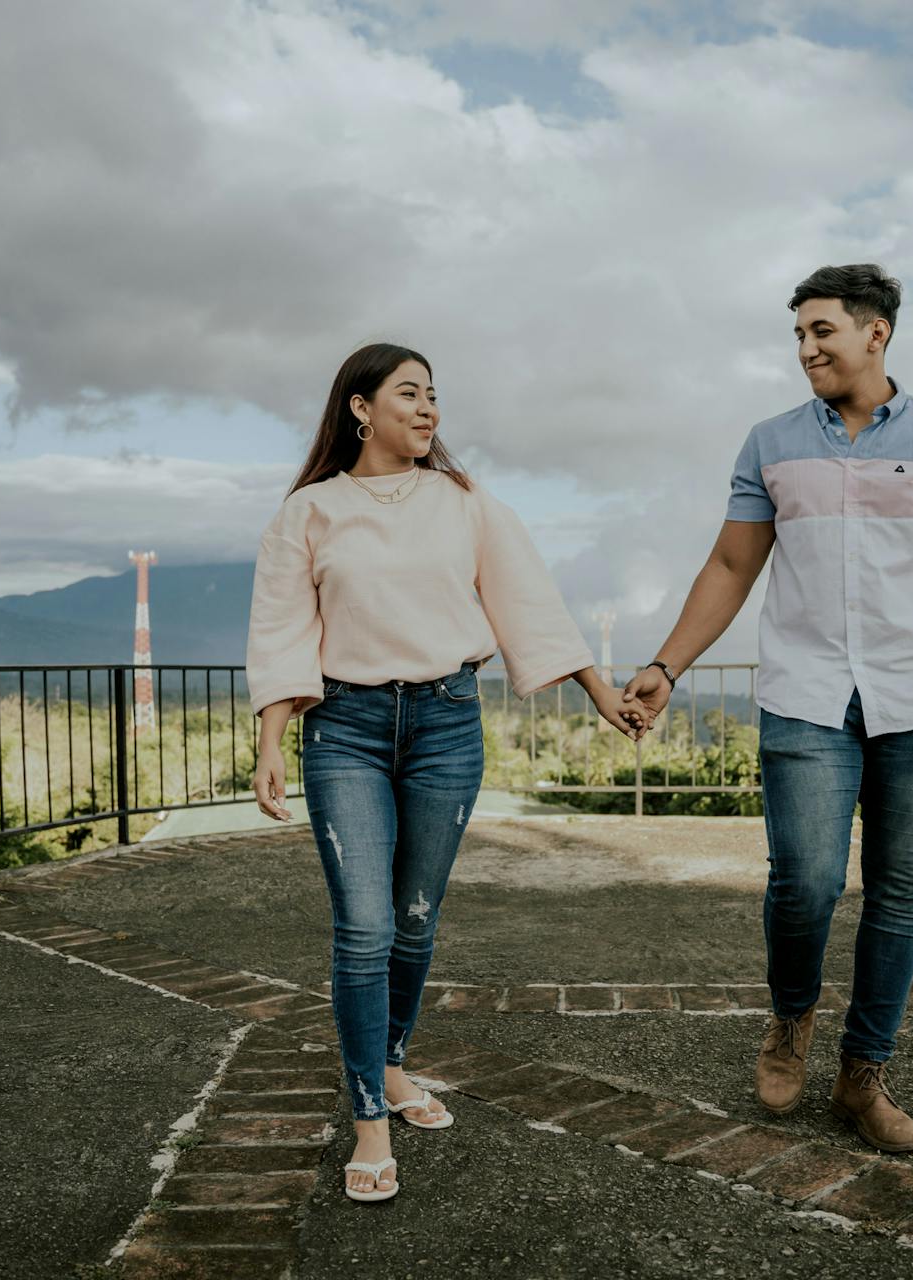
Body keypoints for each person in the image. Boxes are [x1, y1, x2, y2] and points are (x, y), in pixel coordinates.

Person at [621, 264, 913, 1153]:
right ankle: (791, 1021)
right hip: (805, 696)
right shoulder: (770, 443)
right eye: (798, 335)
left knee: (898, 894)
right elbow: (731, 566)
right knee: (805, 882)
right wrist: (668, 663)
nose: (806, 349)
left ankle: (863, 1071)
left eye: (822, 332)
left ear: (874, 332)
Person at [246, 342, 643, 1202]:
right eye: (410, 394)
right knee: (364, 926)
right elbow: (283, 633)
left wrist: (599, 691)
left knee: (415, 920)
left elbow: (527, 600)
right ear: (360, 407)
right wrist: (271, 740)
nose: (428, 410)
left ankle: (390, 1061)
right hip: (343, 729)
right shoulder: (308, 513)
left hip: (446, 724)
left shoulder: (466, 503)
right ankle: (368, 1121)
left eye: (434, 397)